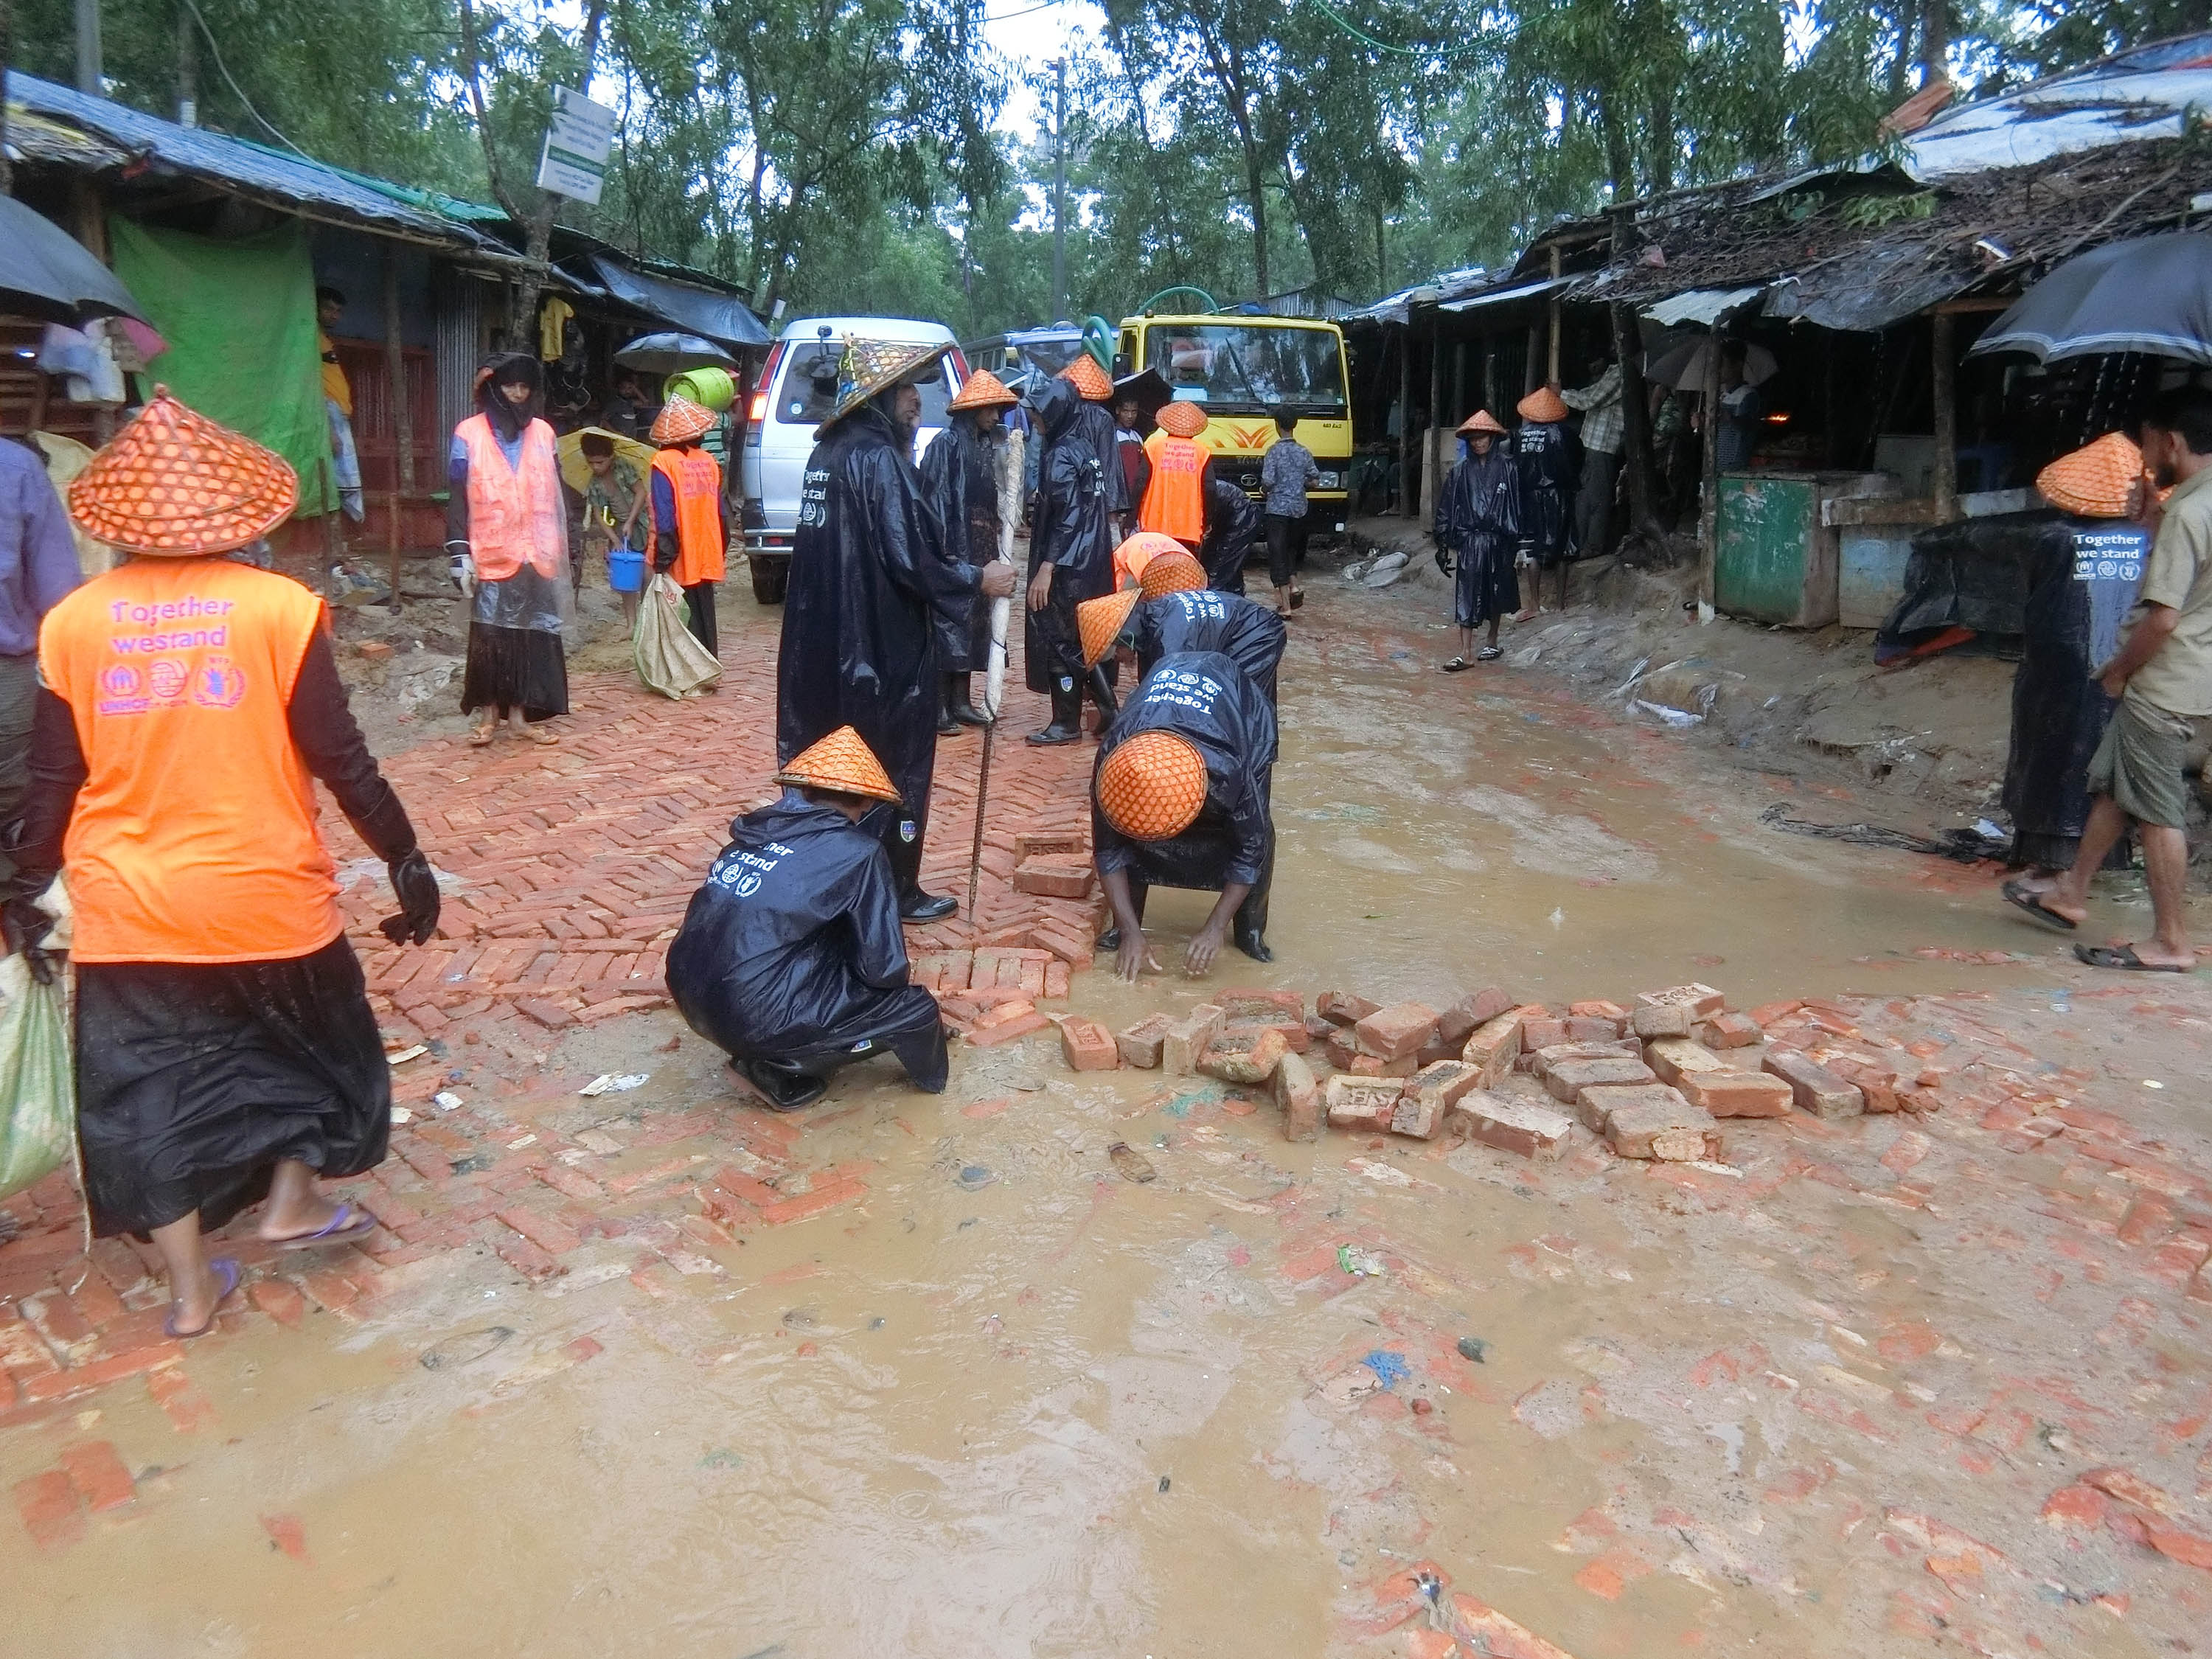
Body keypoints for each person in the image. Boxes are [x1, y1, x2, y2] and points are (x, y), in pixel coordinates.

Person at [4, 389, 439, 1340]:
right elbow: (343, 759)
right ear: (240, 517)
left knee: (143, 1102)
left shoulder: (72, 625)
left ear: (119, 525)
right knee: (321, 1058)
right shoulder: (281, 610)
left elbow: (50, 785)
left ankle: (193, 1295)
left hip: (129, 912)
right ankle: (290, 1203)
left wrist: (24, 894)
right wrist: (404, 857)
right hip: (268, 899)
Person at [777, 338, 1018, 922]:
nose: (917, 401)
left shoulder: (827, 455)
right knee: (895, 768)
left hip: (820, 646)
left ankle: (828, 883)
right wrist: (977, 577)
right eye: (908, 390)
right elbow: (912, 558)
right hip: (879, 650)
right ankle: (894, 889)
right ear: (878, 398)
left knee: (828, 766)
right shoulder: (878, 460)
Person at [2003, 388, 2212, 972]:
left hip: (2168, 682)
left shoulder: (2190, 515)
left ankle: (2171, 941)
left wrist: (2120, 670)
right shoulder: (2193, 508)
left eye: (2148, 445)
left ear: (2172, 441)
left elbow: (2164, 617)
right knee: (2115, 782)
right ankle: (2071, 891)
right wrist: (2152, 523)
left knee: (2155, 808)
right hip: (2203, 676)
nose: (2144, 460)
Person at [667, 726, 949, 1110]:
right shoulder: (858, 852)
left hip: (689, 996)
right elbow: (884, 969)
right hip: (754, 1017)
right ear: (866, 803)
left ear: (804, 790)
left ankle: (769, 1042)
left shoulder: (754, 831)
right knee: (914, 1010)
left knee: (809, 945)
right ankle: (785, 1063)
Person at [2000, 432, 2151, 875]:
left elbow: (2034, 601)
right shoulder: (2153, 540)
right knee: (2110, 766)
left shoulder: (2052, 538)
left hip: (2056, 666)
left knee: (2046, 753)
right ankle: (2109, 858)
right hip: (2126, 664)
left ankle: (2043, 851)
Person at [1092, 650, 1278, 975]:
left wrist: (1214, 928)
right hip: (1162, 697)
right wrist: (1131, 932)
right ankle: (1127, 926)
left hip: (1238, 704)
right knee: (1126, 838)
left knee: (1254, 832)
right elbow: (1108, 851)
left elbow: (1251, 851)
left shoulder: (1229, 772)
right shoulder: (1114, 769)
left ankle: (1249, 931)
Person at [448, 353, 572, 747]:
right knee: (490, 636)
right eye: (509, 386)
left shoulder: (545, 433)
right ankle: (489, 718)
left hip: (538, 551)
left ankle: (519, 717)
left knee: (529, 636)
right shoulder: (467, 433)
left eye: (525, 387)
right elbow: (455, 497)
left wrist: (569, 551)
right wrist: (458, 553)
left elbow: (556, 494)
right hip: (491, 551)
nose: (517, 395)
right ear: (493, 389)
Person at [1025, 357, 1126, 745]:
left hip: (1067, 562)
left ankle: (1065, 722)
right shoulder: (1084, 448)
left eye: (1037, 415)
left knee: (1059, 637)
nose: (1034, 422)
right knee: (1082, 639)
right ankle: (1107, 704)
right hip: (1091, 557)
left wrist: (1047, 567)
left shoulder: (1061, 455)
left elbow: (1067, 516)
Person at [0, 437, 81, 888]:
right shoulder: (15, 467)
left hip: (7, 673)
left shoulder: (16, 468)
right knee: (15, 795)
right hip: (8, 675)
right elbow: (60, 597)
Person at [919, 368, 1019, 732]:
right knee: (949, 622)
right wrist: (945, 547)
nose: (995, 417)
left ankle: (961, 700)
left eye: (998, 411)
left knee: (974, 625)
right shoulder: (945, 445)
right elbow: (934, 499)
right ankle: (940, 705)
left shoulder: (984, 445)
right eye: (990, 410)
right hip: (953, 543)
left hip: (980, 541)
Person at [1089, 576, 1287, 708]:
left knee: (1241, 699)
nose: (1119, 661)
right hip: (1242, 623)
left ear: (1124, 640)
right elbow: (1150, 678)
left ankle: (1253, 758)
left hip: (1259, 632)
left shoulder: (1170, 639)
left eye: (1115, 655)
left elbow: (1174, 694)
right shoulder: (1152, 615)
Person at [1435, 410, 1522, 669]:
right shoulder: (1460, 471)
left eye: (1482, 437)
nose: (1478, 442)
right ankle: (1465, 652)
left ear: (1492, 438)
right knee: (1467, 593)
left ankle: (1492, 642)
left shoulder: (1508, 467)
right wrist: (1443, 545)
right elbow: (1447, 507)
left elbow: (1517, 507)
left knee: (1496, 592)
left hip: (1499, 539)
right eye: (1473, 438)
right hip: (1470, 541)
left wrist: (1519, 546)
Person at [647, 394, 728, 658]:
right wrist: (720, 547)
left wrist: (663, 559)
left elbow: (665, 517)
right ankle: (710, 664)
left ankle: (687, 671)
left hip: (680, 555)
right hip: (708, 550)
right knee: (705, 611)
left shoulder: (664, 463)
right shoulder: (708, 462)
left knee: (682, 615)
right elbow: (721, 512)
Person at [1514, 386, 1578, 615]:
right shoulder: (1567, 434)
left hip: (1529, 496)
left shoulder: (1520, 435)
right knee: (1563, 547)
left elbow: (1515, 466)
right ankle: (1560, 603)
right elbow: (1576, 463)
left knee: (1533, 548)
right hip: (1559, 495)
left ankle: (1533, 602)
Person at [577, 431, 647, 627]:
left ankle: (649, 621)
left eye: (600, 462)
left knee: (648, 574)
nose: (596, 467)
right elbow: (598, 515)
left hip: (642, 524)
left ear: (611, 457)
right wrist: (614, 540)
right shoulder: (595, 483)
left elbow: (641, 492)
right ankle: (631, 624)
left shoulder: (623, 468)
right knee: (627, 579)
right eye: (591, 463)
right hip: (619, 531)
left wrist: (631, 521)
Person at [1562, 350, 1623, 558]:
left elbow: (1590, 400)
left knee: (1596, 499)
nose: (1592, 366)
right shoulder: (1611, 373)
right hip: (1592, 444)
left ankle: (1593, 547)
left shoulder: (1620, 374)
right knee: (1584, 497)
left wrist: (1560, 393)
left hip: (1603, 445)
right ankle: (1581, 545)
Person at [1259, 407, 1319, 617]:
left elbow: (1267, 481)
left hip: (1277, 509)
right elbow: (1314, 480)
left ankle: (1285, 607)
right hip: (1299, 509)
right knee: (1290, 550)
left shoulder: (1273, 452)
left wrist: (1264, 491)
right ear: (1294, 425)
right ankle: (1294, 587)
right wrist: (1299, 483)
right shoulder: (1304, 452)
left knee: (1277, 554)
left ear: (1277, 425)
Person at [315, 285, 364, 525]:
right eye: (328, 308)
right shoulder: (311, 338)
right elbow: (310, 380)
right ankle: (336, 537)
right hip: (328, 411)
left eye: (338, 311)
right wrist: (329, 428)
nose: (334, 315)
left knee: (345, 477)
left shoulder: (324, 340)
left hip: (338, 412)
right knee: (340, 480)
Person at [1139, 400, 1214, 552]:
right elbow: (1210, 489)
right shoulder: (1202, 452)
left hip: (1154, 525)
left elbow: (1140, 483)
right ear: (1195, 428)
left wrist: (1130, 517)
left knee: (1155, 572)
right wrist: (1208, 520)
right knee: (1183, 572)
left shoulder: (1153, 448)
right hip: (1189, 528)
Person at [1200, 475, 1262, 596]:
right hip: (1232, 514)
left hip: (1243, 515)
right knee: (1223, 561)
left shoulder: (1201, 493)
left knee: (1221, 562)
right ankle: (1234, 594)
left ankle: (1215, 596)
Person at [1714, 344, 1761, 473]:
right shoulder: (1722, 396)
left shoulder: (1748, 395)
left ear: (1738, 365)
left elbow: (1746, 426)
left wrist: (1727, 416)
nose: (1718, 369)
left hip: (1737, 463)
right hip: (1718, 462)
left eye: (1723, 364)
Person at [1113, 392, 1152, 517]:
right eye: (1126, 411)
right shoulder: (1111, 435)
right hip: (1118, 498)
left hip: (1135, 497)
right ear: (1118, 411)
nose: (1130, 416)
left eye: (1134, 412)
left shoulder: (1138, 437)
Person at [602, 371, 650, 439]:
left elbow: (645, 403)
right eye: (624, 388)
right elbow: (603, 420)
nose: (627, 391)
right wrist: (616, 433)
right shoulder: (614, 403)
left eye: (630, 388)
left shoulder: (629, 403)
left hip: (631, 438)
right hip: (618, 439)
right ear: (618, 388)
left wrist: (635, 389)